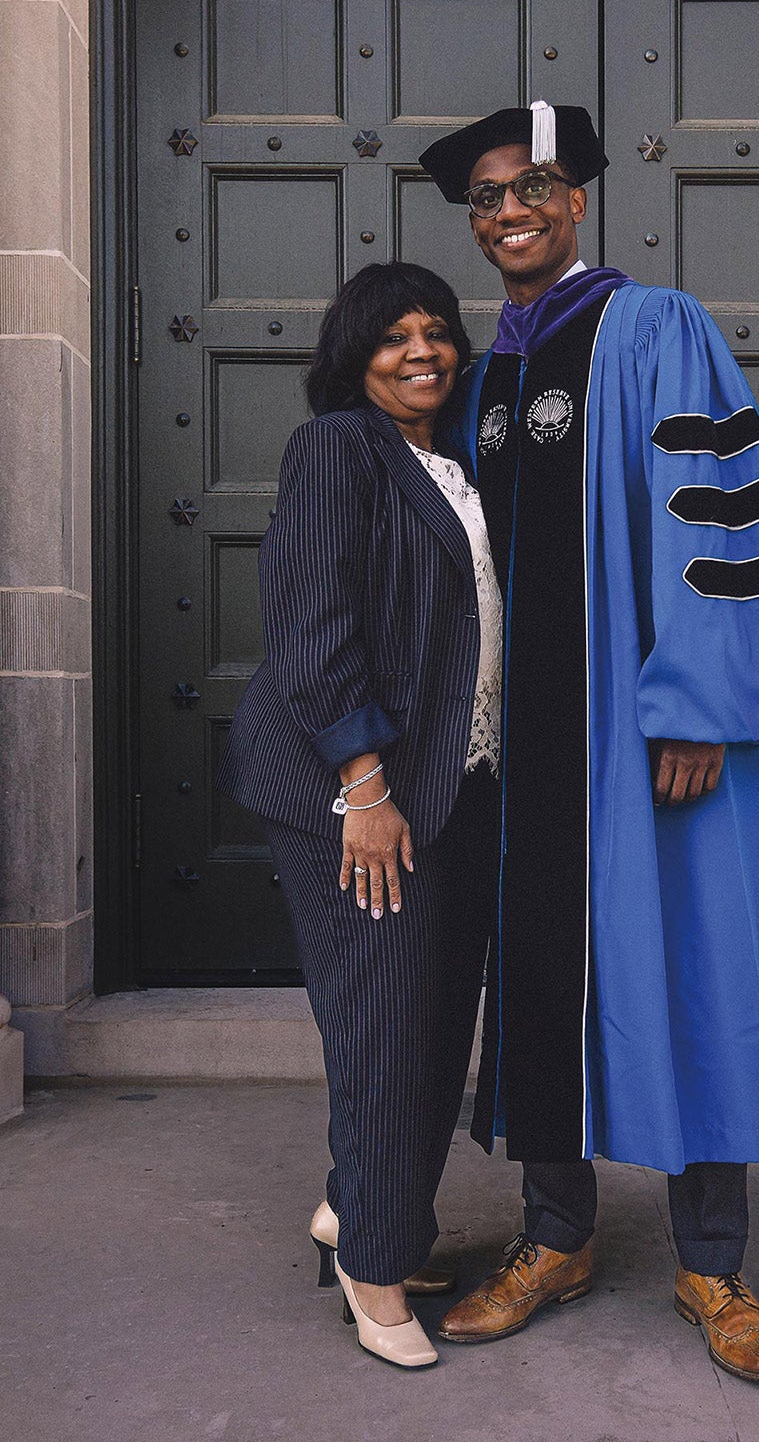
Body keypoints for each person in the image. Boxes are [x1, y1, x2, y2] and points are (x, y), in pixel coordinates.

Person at [417, 104, 759, 1383]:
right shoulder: (481, 376)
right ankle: (553, 1238)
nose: (510, 208)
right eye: (490, 194)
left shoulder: (655, 327)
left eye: (535, 186)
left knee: (696, 967)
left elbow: (718, 522)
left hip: (654, 735)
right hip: (525, 750)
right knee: (544, 972)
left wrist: (702, 712)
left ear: (578, 202)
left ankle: (714, 1264)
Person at [216, 262, 503, 1370]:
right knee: (387, 1023)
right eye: (392, 335)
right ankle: (374, 1266)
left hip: (450, 782)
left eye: (436, 330)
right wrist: (365, 789)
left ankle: (361, 1204)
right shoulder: (339, 446)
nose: (419, 349)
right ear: (353, 352)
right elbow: (313, 621)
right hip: (356, 792)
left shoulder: (449, 462)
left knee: (431, 1019)